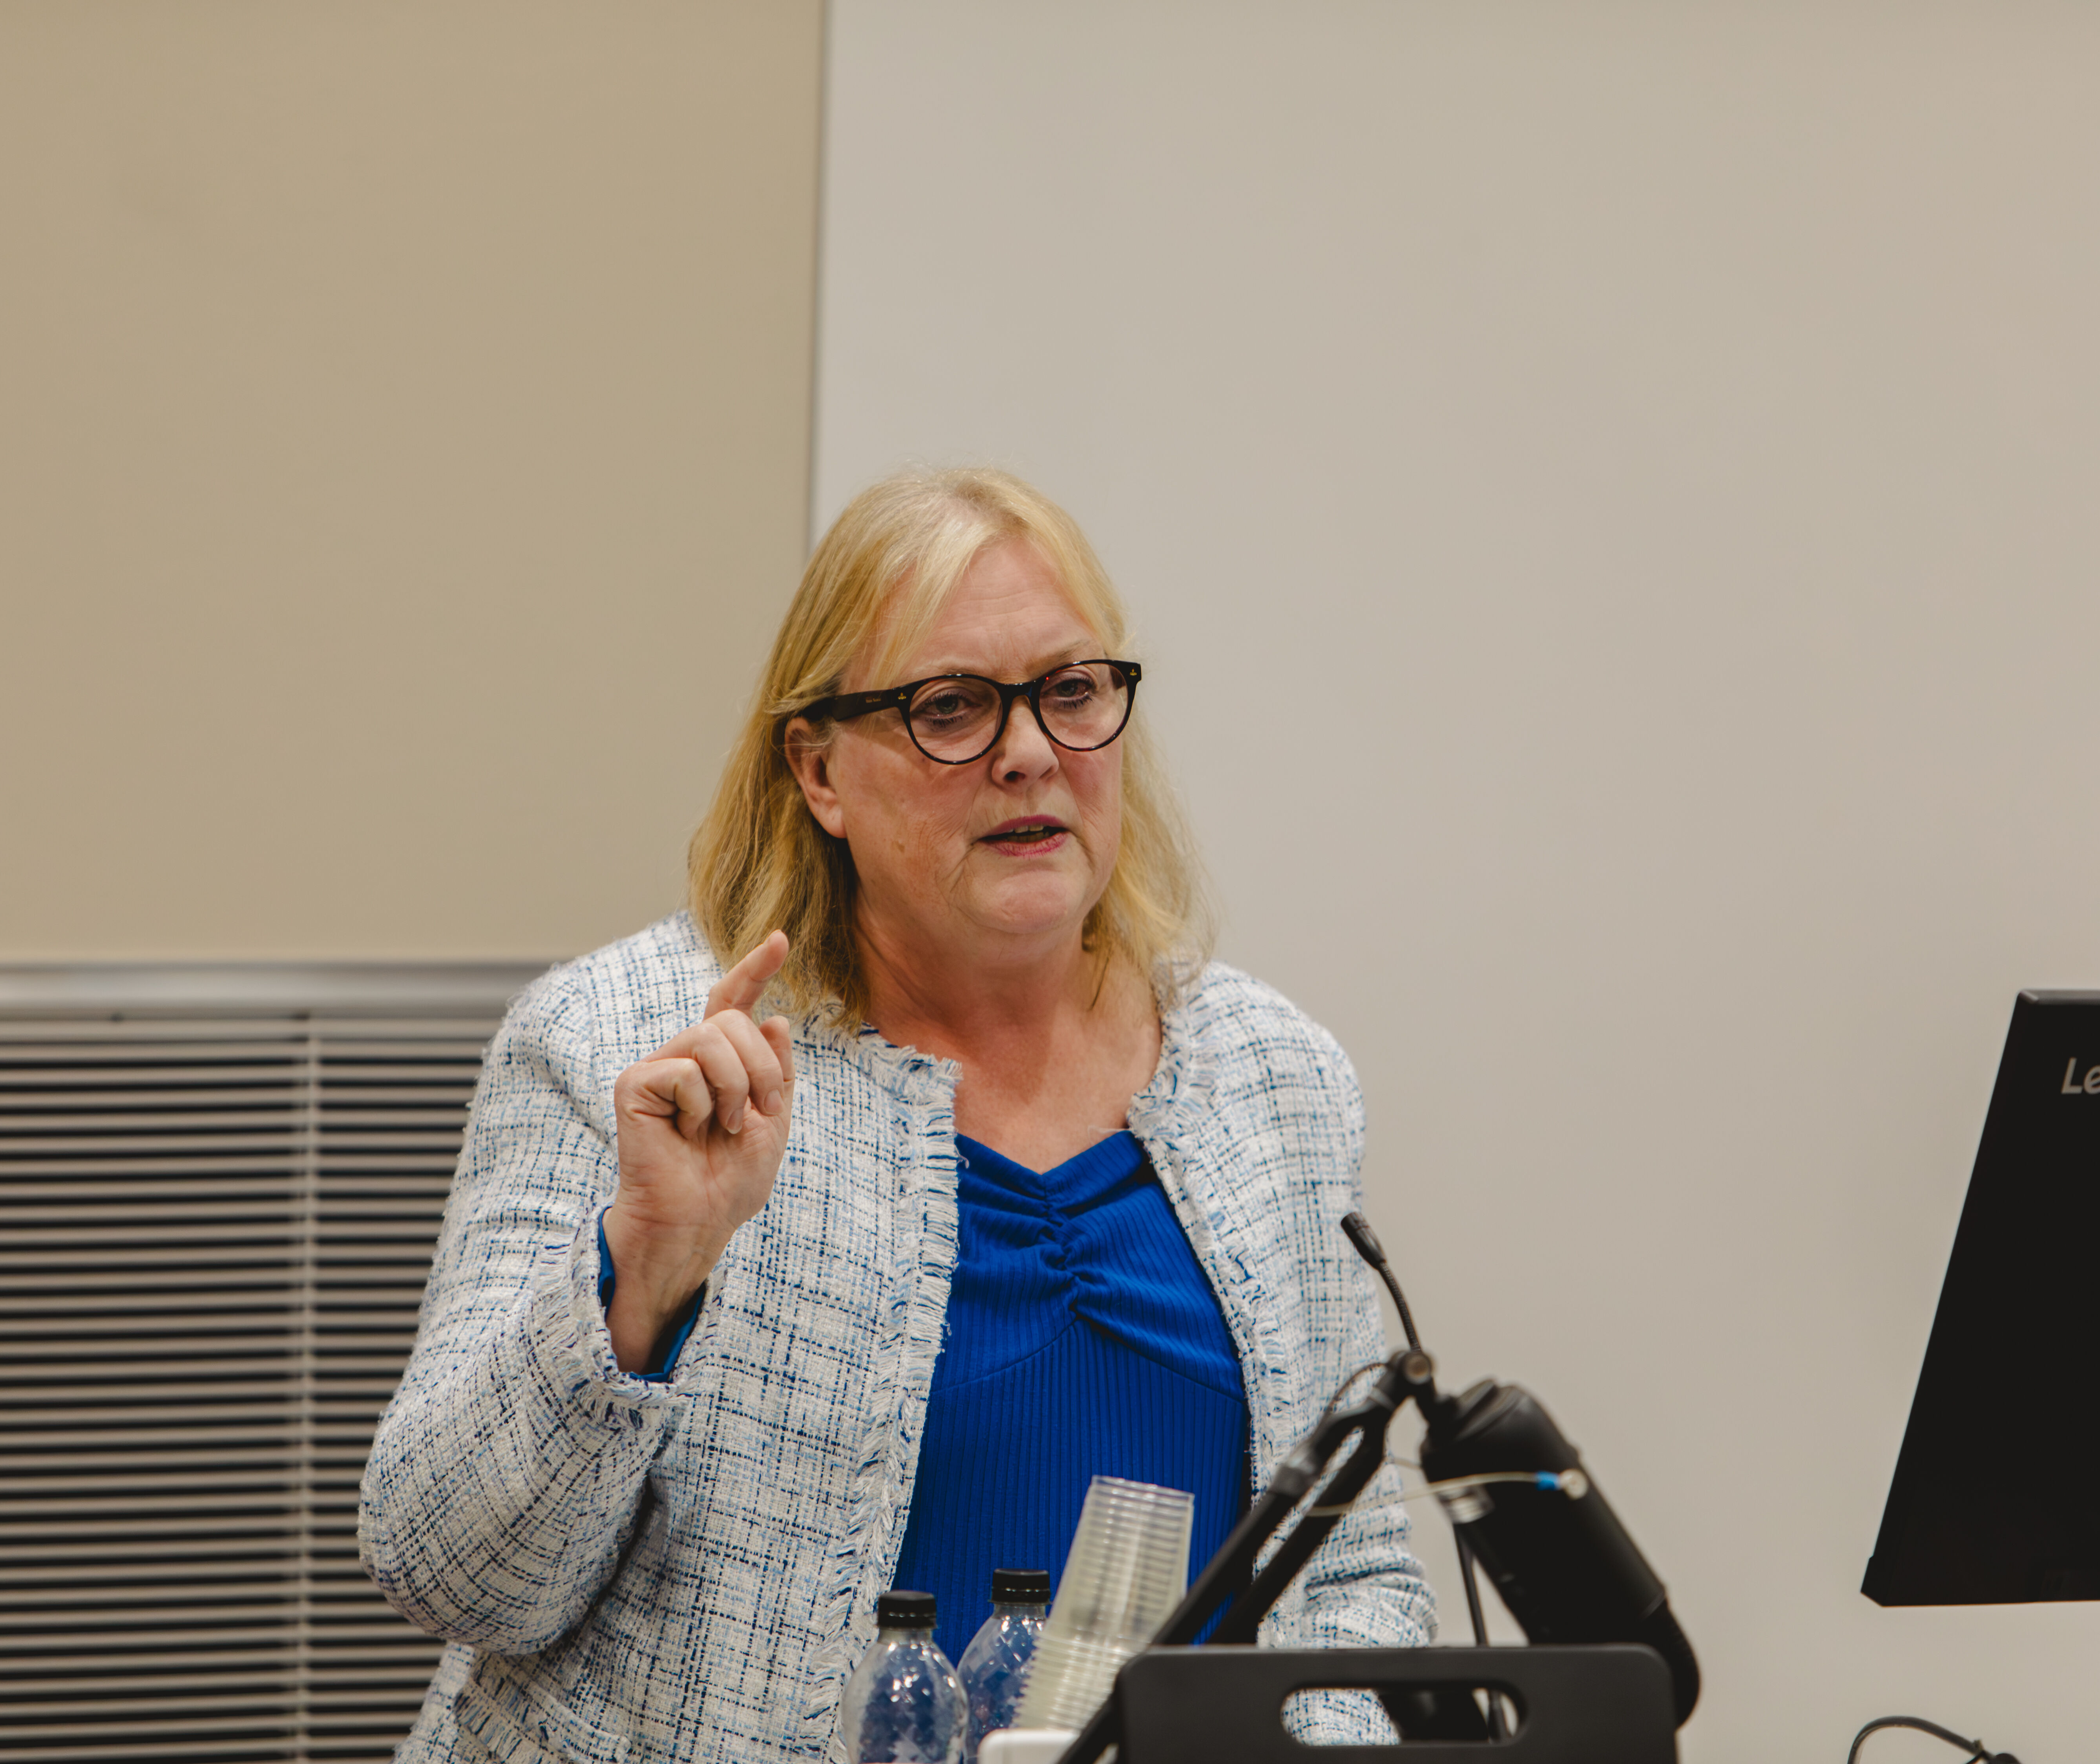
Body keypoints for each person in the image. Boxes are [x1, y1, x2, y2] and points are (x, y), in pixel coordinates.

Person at [360, 467, 1432, 1762]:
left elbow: (1351, 1580)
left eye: (1072, 691)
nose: (1030, 751)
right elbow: (453, 1576)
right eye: (952, 708)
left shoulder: (1277, 1079)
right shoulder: (630, 1045)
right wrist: (641, 1280)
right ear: (819, 771)